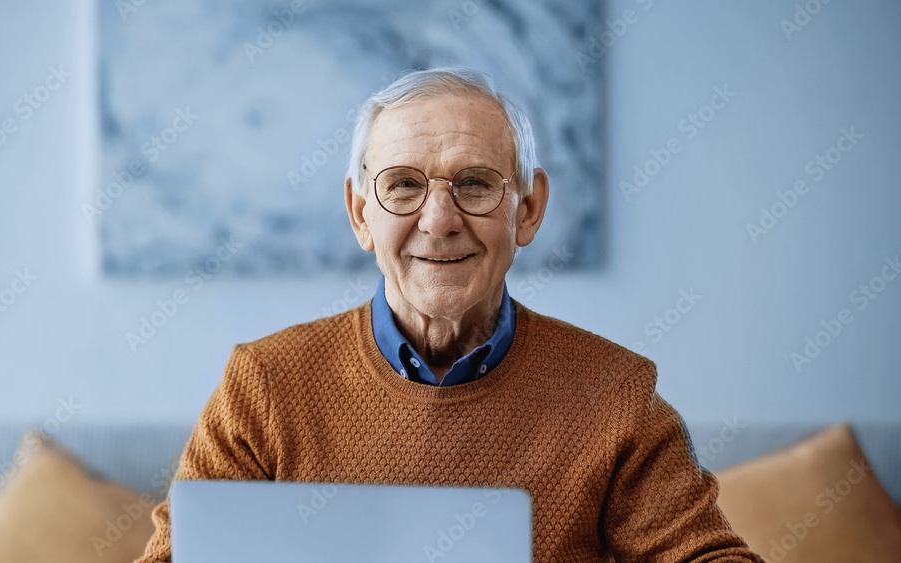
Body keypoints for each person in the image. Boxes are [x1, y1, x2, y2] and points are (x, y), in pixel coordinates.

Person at [136, 67, 763, 562]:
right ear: (361, 213)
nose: (439, 221)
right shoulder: (264, 383)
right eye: (404, 185)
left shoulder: (615, 394)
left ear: (528, 209)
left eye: (475, 184)